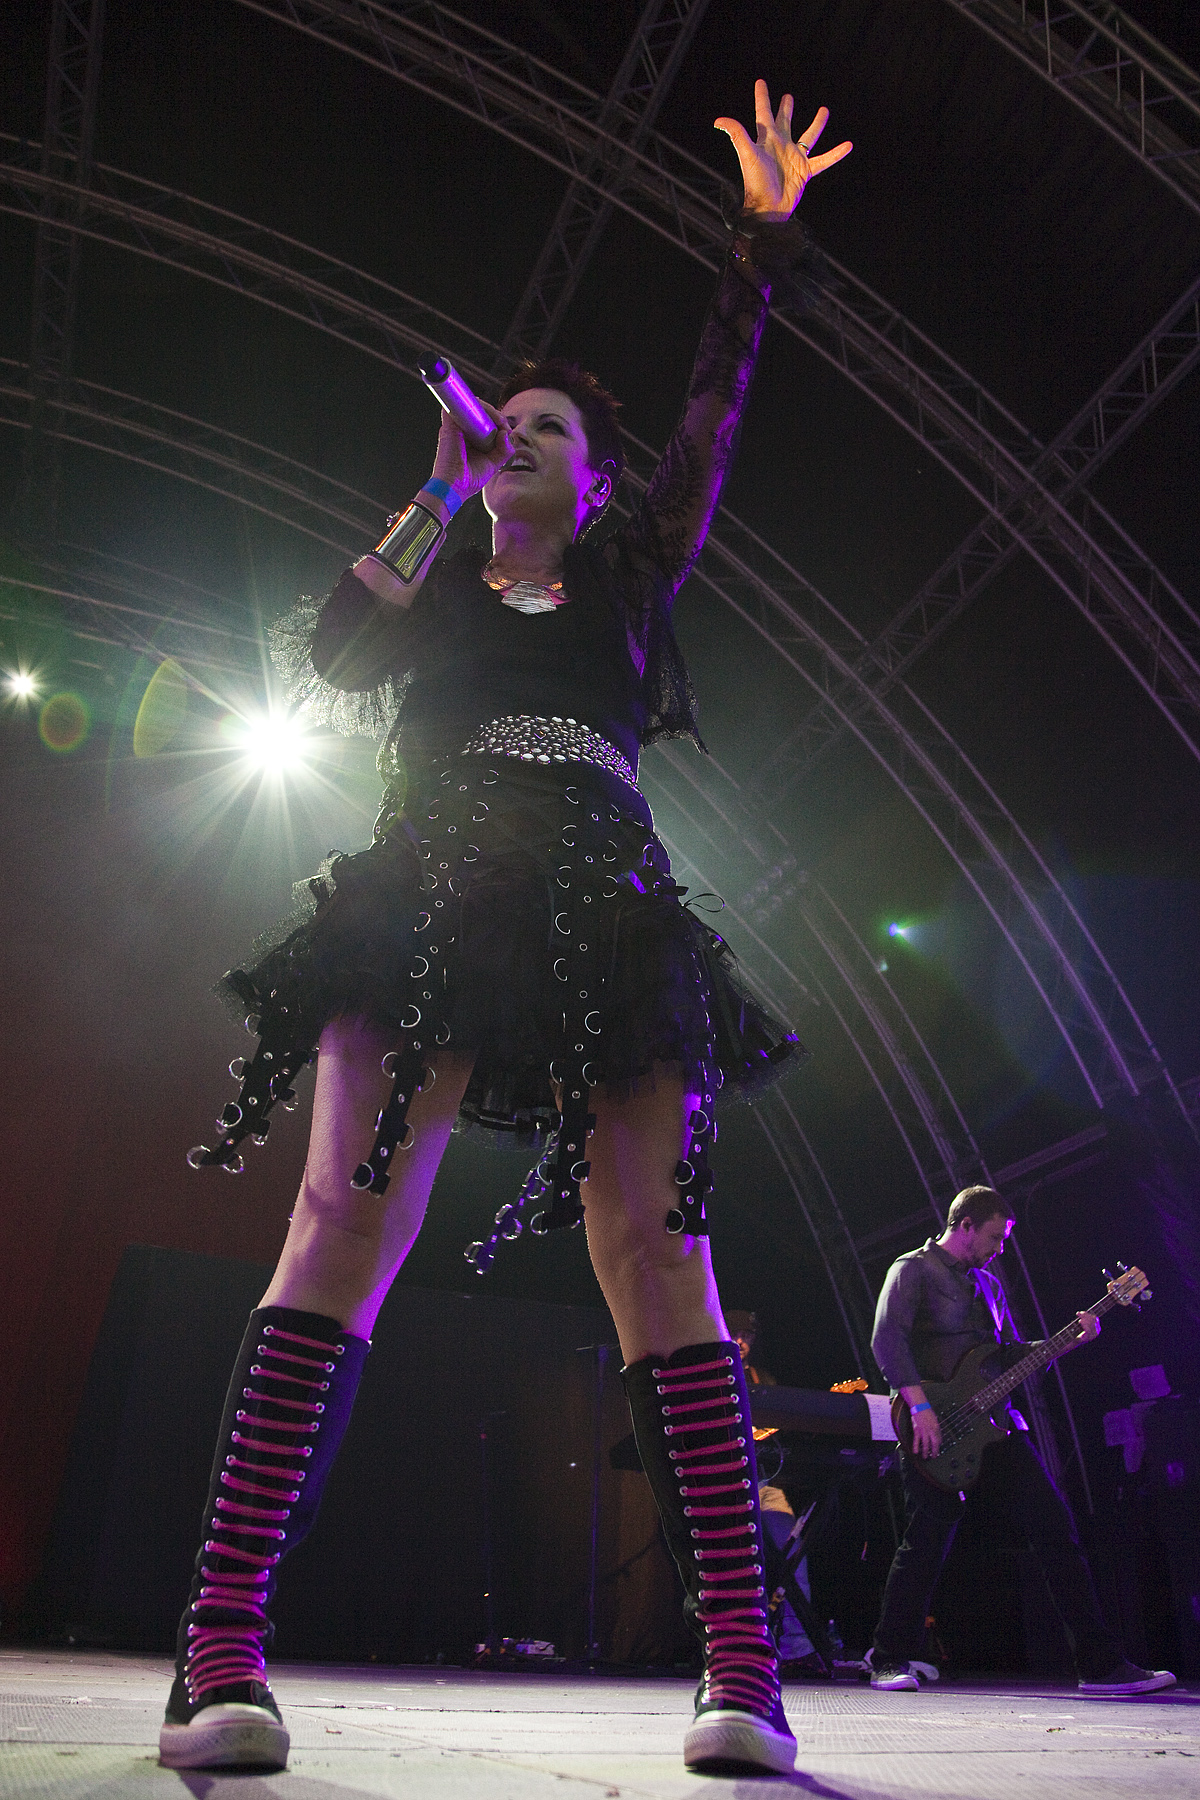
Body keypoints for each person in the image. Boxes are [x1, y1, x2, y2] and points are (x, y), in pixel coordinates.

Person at [158, 81, 852, 1778]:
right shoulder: (433, 575)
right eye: (506, 426)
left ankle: (743, 1673)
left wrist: (755, 247)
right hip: (425, 891)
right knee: (340, 1216)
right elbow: (329, 655)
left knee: (654, 1256)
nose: (519, 441)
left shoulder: (627, 582)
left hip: (609, 907)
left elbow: (712, 419)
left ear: (597, 479)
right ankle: (219, 1654)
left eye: (549, 432)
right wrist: (431, 483)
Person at [868, 1185, 1175, 1695]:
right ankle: (886, 1657)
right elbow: (887, 1340)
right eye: (994, 1237)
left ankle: (1100, 1666)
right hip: (932, 1425)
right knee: (924, 1544)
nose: (999, 1248)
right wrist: (920, 1407)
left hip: (994, 1424)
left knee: (1056, 1528)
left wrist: (1064, 1343)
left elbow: (1004, 1356)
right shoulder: (912, 1270)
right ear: (964, 1225)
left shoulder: (989, 1286)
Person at [727, 1309, 818, 1670]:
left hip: (764, 1482)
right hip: (723, 1482)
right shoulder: (712, 1374)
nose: (743, 1342)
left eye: (748, 1336)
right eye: (736, 1334)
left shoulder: (762, 1378)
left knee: (793, 1554)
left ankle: (797, 1647)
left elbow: (775, 1425)